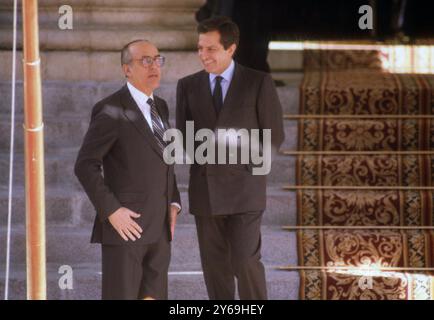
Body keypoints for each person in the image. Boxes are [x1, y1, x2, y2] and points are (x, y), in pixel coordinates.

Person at [176, 16, 284, 300]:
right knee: (215, 269)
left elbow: (273, 135)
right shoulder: (187, 86)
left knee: (245, 262)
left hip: (245, 191)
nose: (203, 55)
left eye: (210, 49)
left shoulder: (257, 82)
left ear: (231, 49)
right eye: (200, 48)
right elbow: (185, 137)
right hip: (206, 190)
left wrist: (251, 168)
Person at [74, 39, 181, 300]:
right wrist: (111, 210)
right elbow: (85, 165)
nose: (154, 65)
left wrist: (174, 202)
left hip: (159, 230)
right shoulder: (110, 109)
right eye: (145, 60)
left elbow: (164, 160)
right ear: (126, 69)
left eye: (157, 59)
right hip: (126, 230)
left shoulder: (161, 107)